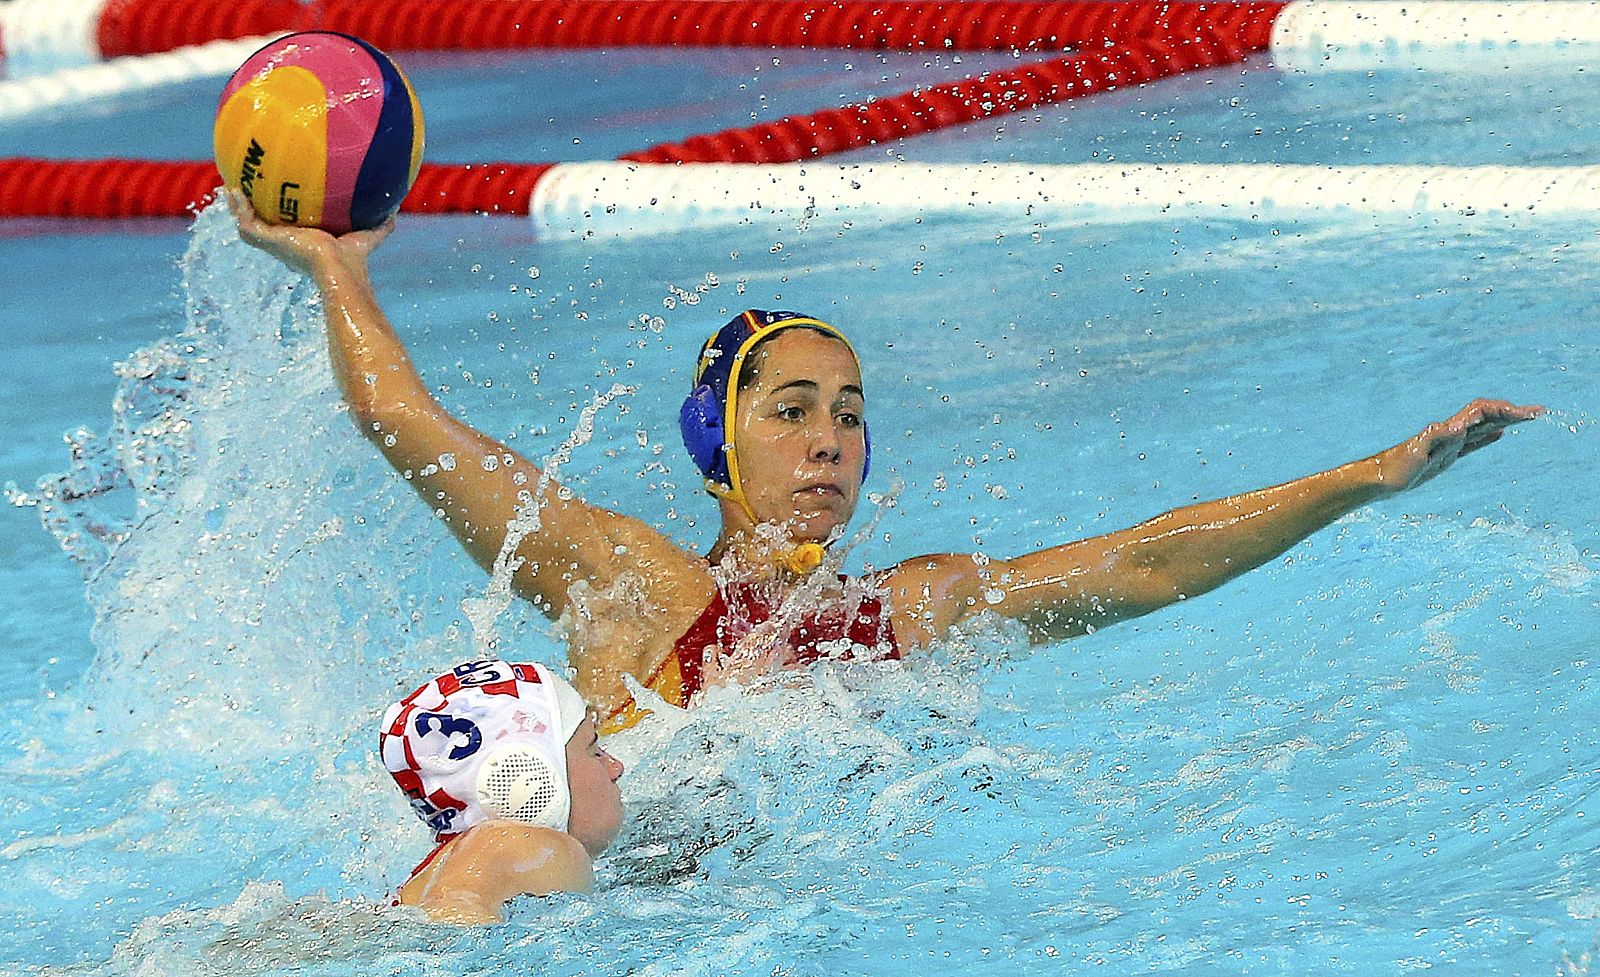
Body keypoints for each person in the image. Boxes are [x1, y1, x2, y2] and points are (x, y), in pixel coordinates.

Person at [230, 194, 1543, 732]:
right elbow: (404, 421)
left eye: (851, 414)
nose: (829, 439)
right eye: (792, 409)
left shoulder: (912, 610)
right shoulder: (625, 581)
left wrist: (1365, 479)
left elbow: (1147, 564)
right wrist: (336, 269)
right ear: (717, 441)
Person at [380, 657, 625, 923]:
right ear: (528, 774)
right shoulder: (515, 843)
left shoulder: (425, 879)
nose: (616, 767)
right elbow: (450, 918)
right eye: (594, 750)